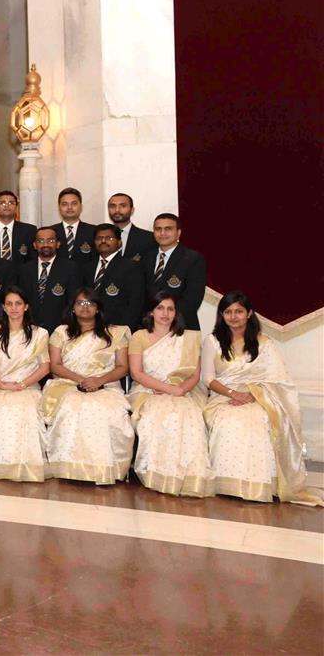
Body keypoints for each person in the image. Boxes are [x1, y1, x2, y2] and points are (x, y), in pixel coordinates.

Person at [201, 291, 321, 506]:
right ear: (221, 315)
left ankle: (262, 485)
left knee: (259, 420)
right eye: (228, 312)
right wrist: (233, 394)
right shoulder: (212, 340)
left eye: (239, 311)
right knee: (230, 421)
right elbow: (208, 378)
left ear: (249, 314)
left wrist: (253, 394)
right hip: (222, 397)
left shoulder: (264, 343)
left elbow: (279, 380)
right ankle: (228, 482)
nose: (233, 316)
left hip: (258, 398)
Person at [41, 288, 133, 484]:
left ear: (98, 308)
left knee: (104, 410)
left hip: (106, 385)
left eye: (90, 303)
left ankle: (102, 468)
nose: (85, 307)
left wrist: (98, 381)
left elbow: (123, 367)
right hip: (67, 383)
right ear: (72, 308)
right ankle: (69, 466)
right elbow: (55, 366)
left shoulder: (115, 333)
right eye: (80, 303)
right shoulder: (61, 332)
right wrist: (81, 379)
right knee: (73, 408)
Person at [127, 291, 211, 498]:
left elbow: (195, 373)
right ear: (151, 312)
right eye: (160, 308)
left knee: (189, 416)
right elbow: (137, 373)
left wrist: (180, 390)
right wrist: (168, 389)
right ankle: (158, 474)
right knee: (157, 416)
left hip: (184, 390)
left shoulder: (188, 338)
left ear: (176, 313)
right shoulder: (139, 336)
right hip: (147, 390)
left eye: (170, 309)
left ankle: (189, 478)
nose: (165, 313)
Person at [0, 288, 51, 482]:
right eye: (9, 304)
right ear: (3, 307)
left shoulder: (39, 333)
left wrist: (22, 384)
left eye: (18, 303)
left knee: (26, 408)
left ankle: (29, 465)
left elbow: (45, 367)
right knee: (3, 407)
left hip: (28, 386)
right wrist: (1, 384)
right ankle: (3, 464)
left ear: (26, 307)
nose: (14, 308)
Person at [144, 213, 207, 330]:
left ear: (178, 232)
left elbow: (192, 299)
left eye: (168, 229)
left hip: (181, 326)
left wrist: (166, 319)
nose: (162, 233)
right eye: (158, 229)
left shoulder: (192, 258)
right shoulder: (147, 257)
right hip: (149, 327)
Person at [19, 227, 79, 331]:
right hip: (30, 328)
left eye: (51, 240)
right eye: (41, 241)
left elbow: (72, 301)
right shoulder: (24, 269)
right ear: (34, 245)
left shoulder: (71, 268)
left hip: (61, 329)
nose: (45, 244)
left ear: (58, 244)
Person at [87, 223, 144, 330]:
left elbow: (135, 303)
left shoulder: (131, 267)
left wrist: (125, 330)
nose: (103, 241)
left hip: (118, 328)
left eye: (109, 238)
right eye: (99, 238)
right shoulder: (87, 267)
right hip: (89, 328)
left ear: (119, 242)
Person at [49, 187, 97, 269]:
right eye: (64, 204)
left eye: (74, 203)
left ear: (81, 206)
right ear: (59, 207)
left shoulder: (94, 231)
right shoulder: (50, 232)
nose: (69, 207)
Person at [106, 192, 155, 260]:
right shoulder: (99, 238)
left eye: (123, 206)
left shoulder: (149, 238)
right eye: (112, 206)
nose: (117, 210)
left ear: (132, 210)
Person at [0, 190, 36, 262]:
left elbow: (33, 258)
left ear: (16, 208)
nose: (7, 205)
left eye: (11, 203)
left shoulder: (29, 230)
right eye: (3, 203)